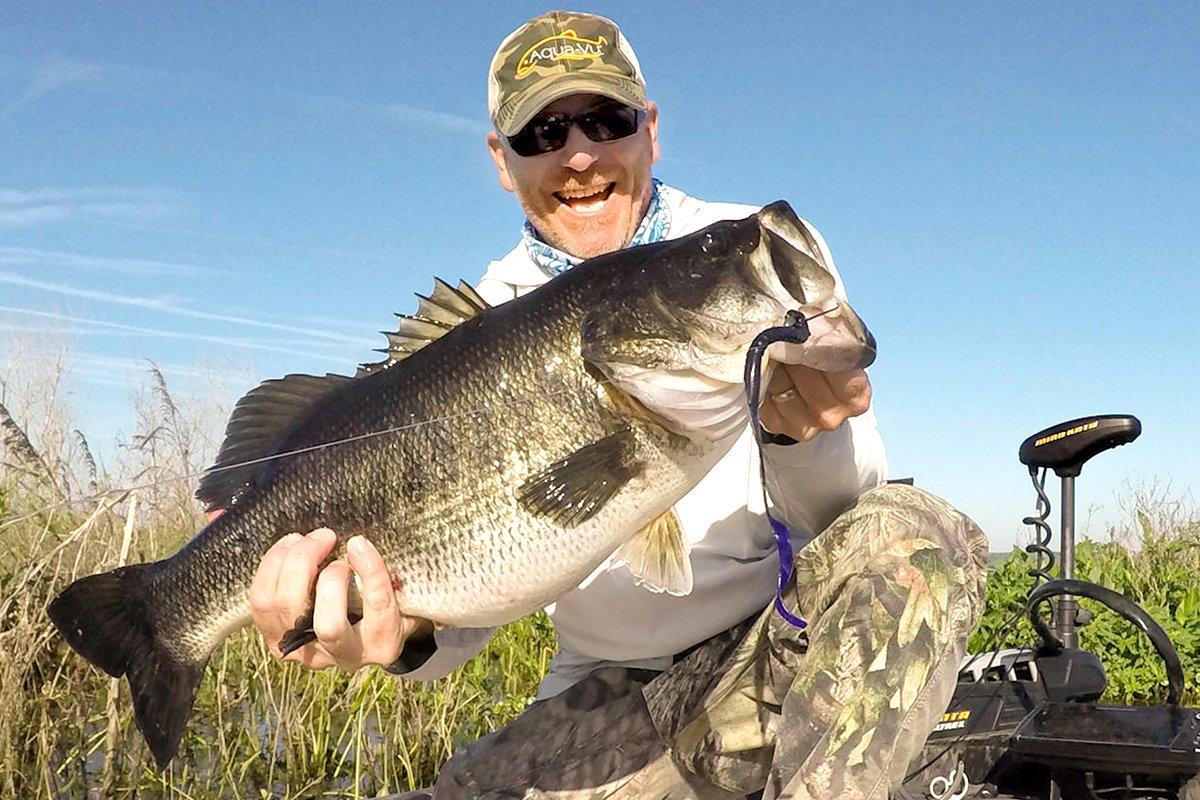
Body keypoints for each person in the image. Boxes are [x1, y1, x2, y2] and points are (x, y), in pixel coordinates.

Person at [247, 11, 989, 798]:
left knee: (917, 531)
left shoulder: (735, 256)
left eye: (607, 120)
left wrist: (797, 440)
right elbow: (479, 599)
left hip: (779, 652)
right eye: (542, 133)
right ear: (502, 161)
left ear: (651, 131)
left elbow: (849, 510)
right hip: (607, 688)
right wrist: (393, 635)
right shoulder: (483, 327)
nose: (579, 154)